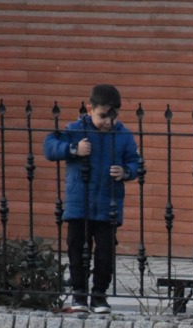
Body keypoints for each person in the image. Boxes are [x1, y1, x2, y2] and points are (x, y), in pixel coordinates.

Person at [44, 84, 139, 313]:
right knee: (77, 249)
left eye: (113, 116)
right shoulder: (75, 130)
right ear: (90, 109)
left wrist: (125, 172)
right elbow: (49, 146)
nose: (108, 121)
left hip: (108, 204)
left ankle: (99, 295)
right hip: (79, 204)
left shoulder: (124, 135)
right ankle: (79, 294)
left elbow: (135, 163)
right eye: (103, 116)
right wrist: (74, 149)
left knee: (105, 252)